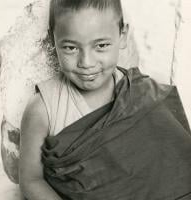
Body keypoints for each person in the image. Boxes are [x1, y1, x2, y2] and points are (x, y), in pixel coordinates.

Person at [19, 0, 191, 199]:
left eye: (101, 46)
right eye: (70, 48)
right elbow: (31, 180)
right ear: (52, 40)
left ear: (123, 36)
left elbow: (176, 169)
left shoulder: (141, 95)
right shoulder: (42, 109)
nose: (86, 63)